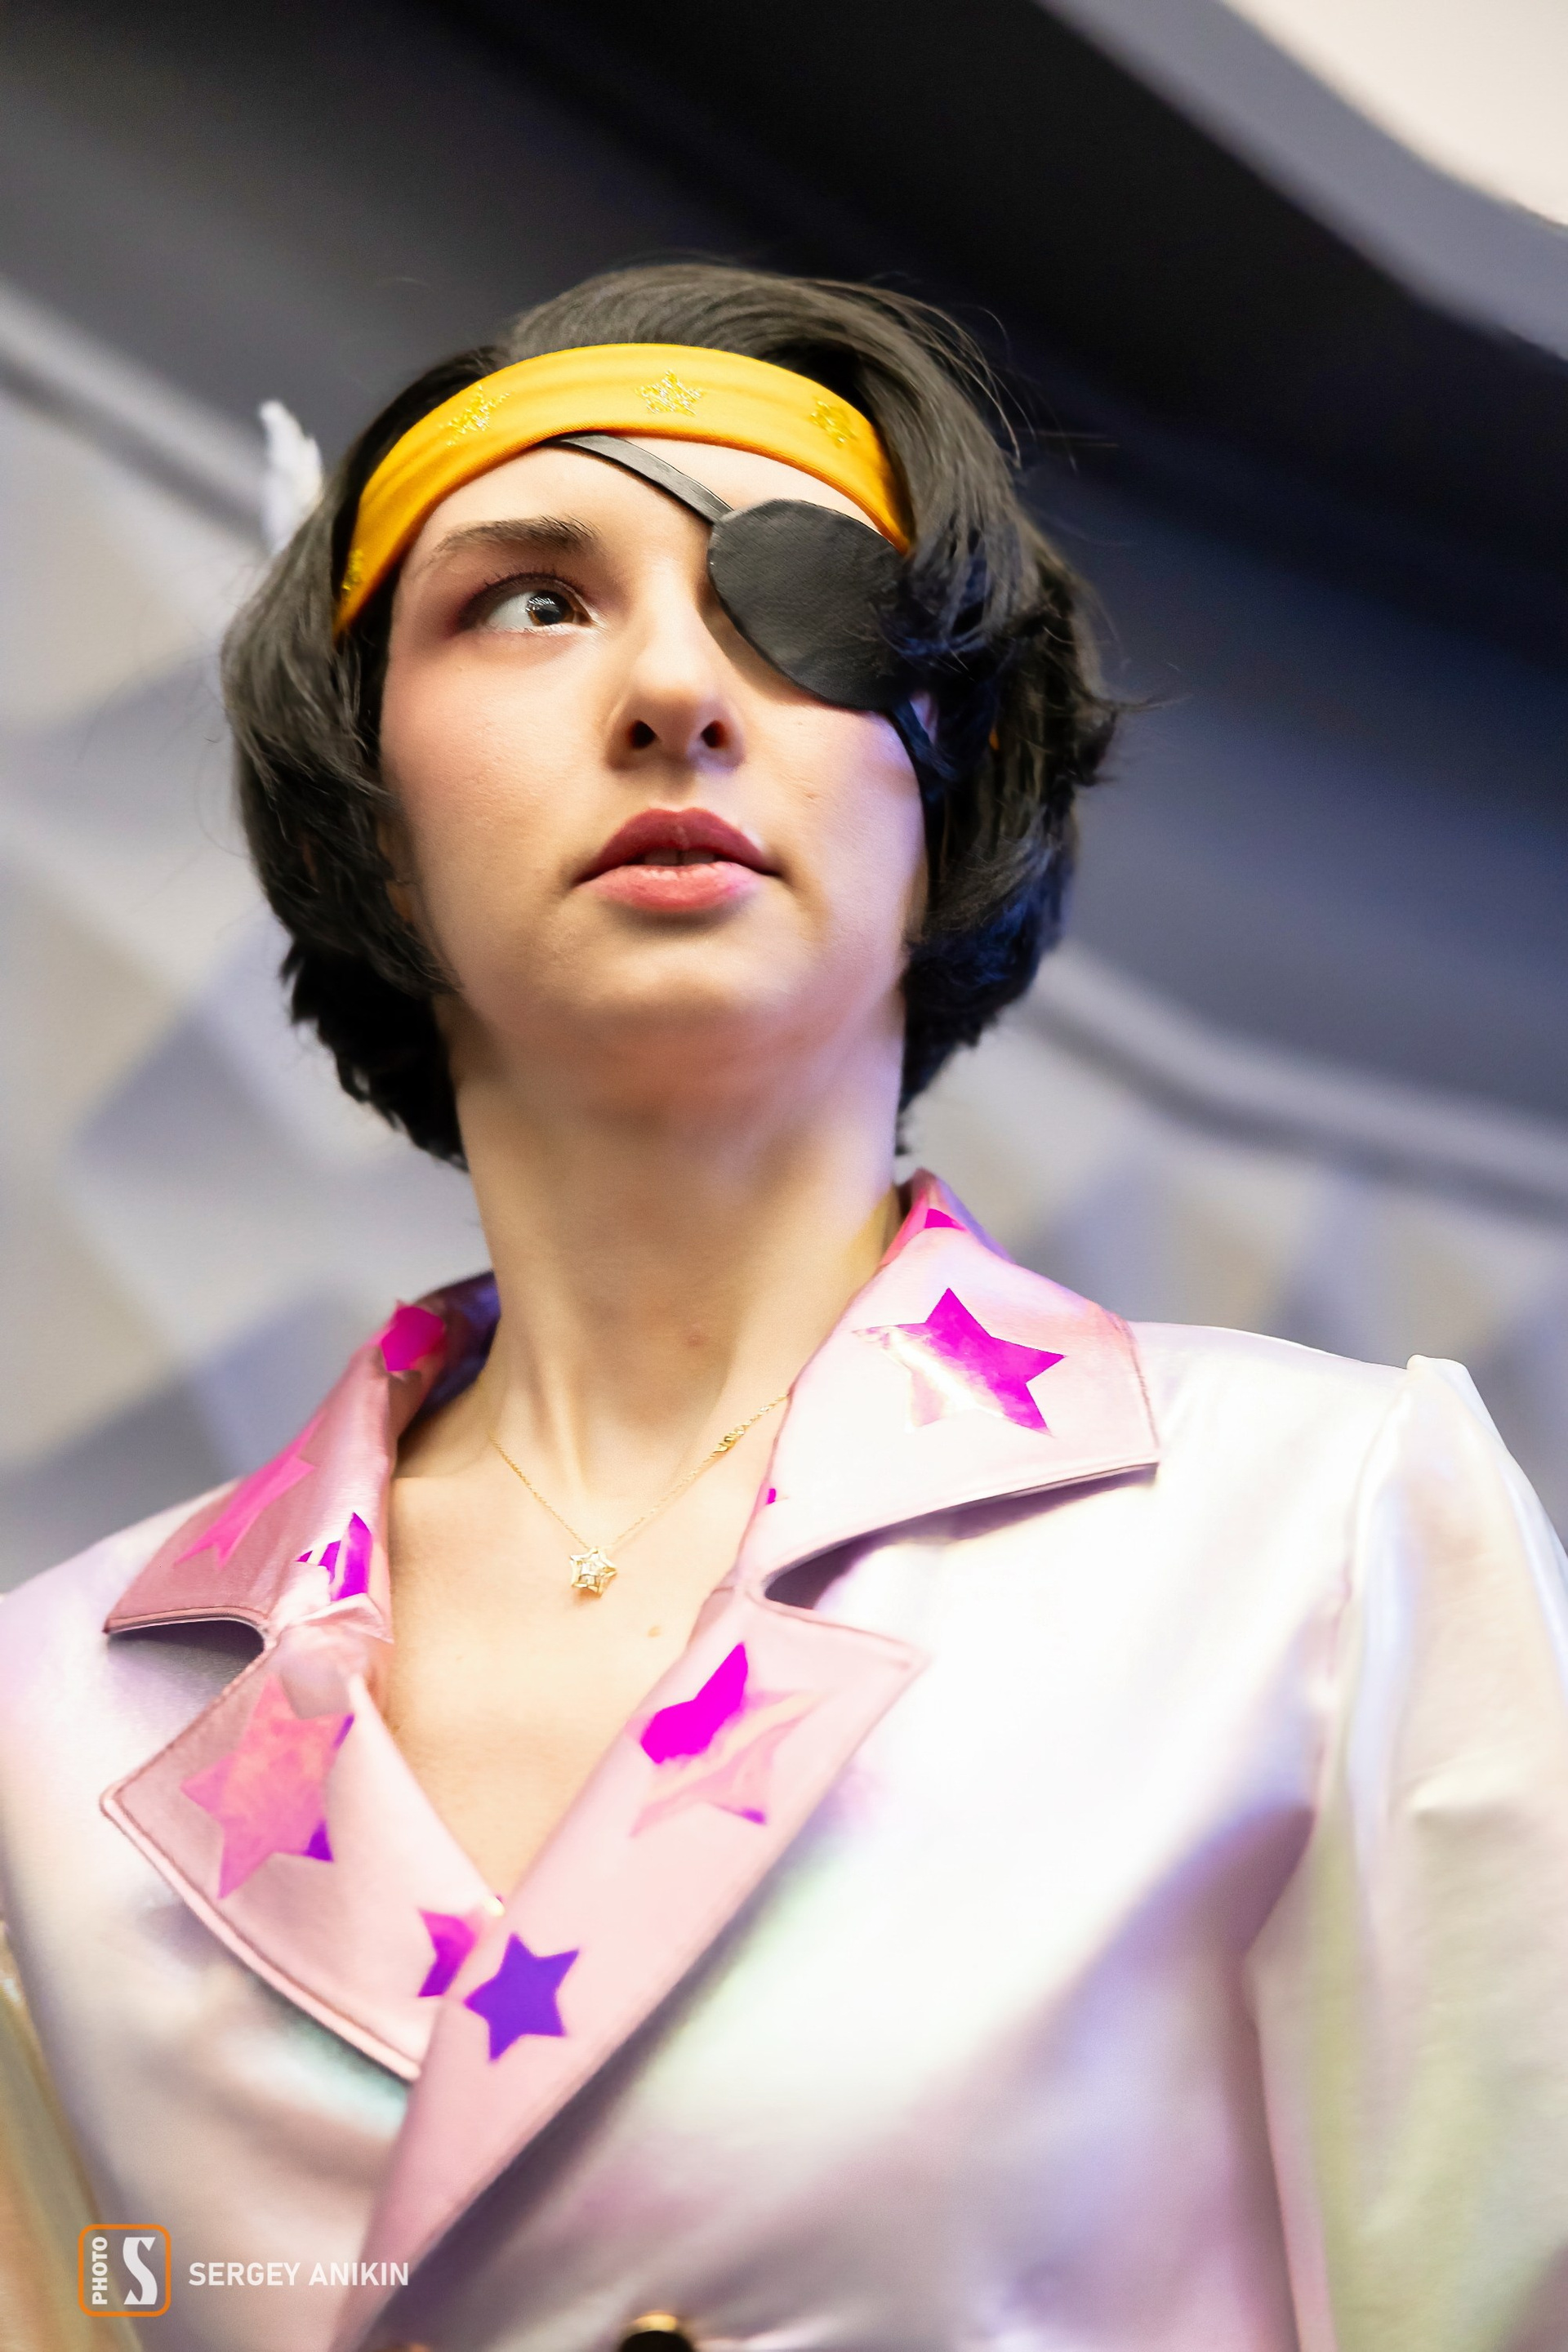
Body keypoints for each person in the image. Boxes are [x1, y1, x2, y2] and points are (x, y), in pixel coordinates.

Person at [2, 261, 1567, 2352]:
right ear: (368, 817)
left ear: (947, 802)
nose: (676, 688)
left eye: (801, 602)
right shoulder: (46, 1717)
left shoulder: (1320, 1539)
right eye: (530, 600)